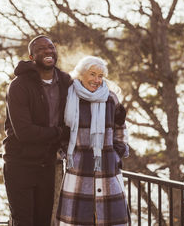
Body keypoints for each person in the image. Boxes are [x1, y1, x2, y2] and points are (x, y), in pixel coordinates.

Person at [3, 35, 72, 226]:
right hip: (20, 164)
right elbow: (24, 133)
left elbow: (89, 99)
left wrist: (114, 109)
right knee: (23, 221)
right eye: (41, 49)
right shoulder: (19, 86)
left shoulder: (65, 82)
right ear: (32, 57)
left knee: (43, 221)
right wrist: (60, 133)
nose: (48, 51)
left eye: (51, 47)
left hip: (47, 165)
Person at [55, 56, 130, 226]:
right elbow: (61, 131)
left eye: (100, 76)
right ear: (81, 74)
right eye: (92, 74)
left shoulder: (111, 99)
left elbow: (121, 129)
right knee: (75, 220)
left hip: (108, 172)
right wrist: (67, 153)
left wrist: (116, 155)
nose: (97, 80)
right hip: (78, 171)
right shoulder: (69, 99)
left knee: (111, 220)